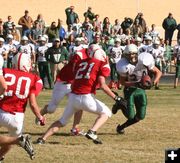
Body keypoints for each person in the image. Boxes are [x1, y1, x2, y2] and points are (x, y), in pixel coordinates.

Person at [36, 44, 122, 144]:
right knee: (106, 113)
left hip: (73, 97)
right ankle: (92, 131)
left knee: (62, 121)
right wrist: (116, 98)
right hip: (86, 97)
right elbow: (103, 85)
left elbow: (73, 84)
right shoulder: (100, 64)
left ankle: (42, 139)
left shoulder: (81, 63)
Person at [37, 47, 88, 135]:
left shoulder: (89, 58)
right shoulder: (79, 56)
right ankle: (42, 112)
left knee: (79, 106)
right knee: (51, 109)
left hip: (72, 85)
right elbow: (75, 69)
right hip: (62, 83)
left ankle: (75, 129)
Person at [115, 44, 162, 134]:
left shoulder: (145, 60)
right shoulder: (123, 65)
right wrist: (136, 83)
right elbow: (122, 82)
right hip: (130, 90)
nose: (132, 56)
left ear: (137, 53)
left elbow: (158, 72)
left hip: (141, 90)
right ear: (125, 55)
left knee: (140, 116)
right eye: (129, 54)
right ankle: (120, 104)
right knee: (130, 115)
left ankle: (121, 127)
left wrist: (153, 82)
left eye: (133, 54)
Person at [0, 53, 39, 160]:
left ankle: (19, 140)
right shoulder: (33, 78)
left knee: (12, 140)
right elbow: (32, 102)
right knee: (10, 140)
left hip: (2, 111)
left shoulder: (5, 72)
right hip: (18, 118)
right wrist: (40, 116)